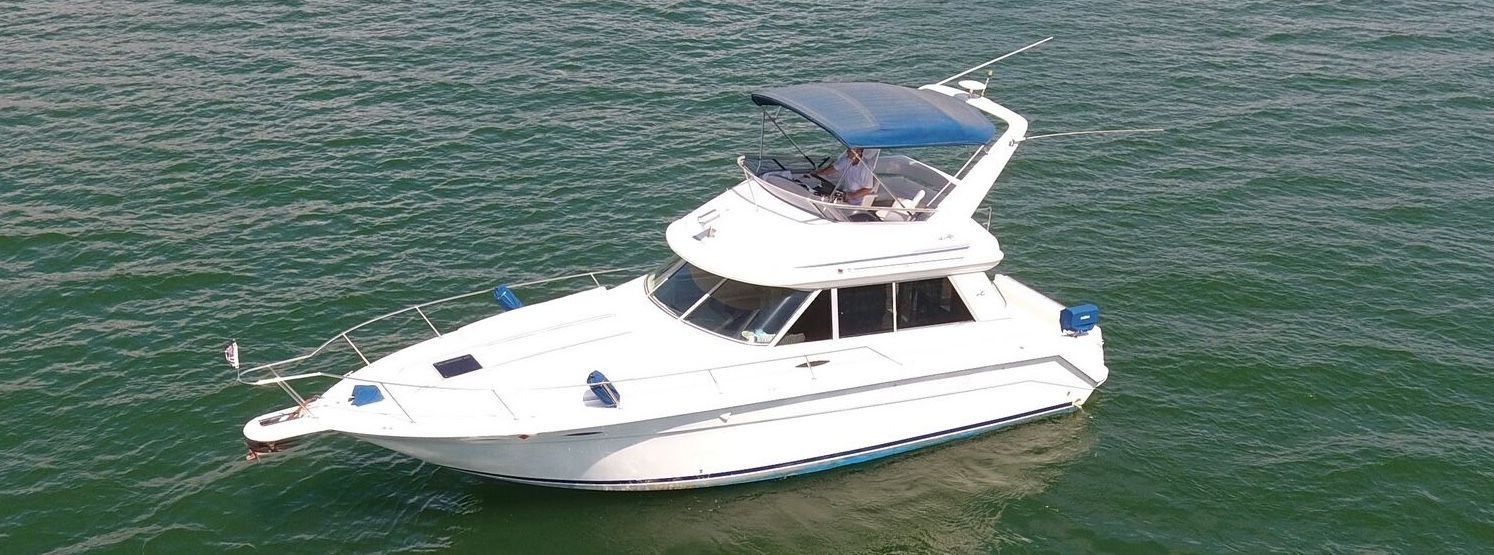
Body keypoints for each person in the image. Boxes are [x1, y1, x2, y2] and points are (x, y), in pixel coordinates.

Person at [810, 147, 878, 205]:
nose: (847, 151)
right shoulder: (847, 160)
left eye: (851, 149)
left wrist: (850, 196)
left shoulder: (865, 168)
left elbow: (868, 189)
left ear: (859, 152)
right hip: (845, 194)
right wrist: (816, 174)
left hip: (857, 200)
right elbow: (832, 169)